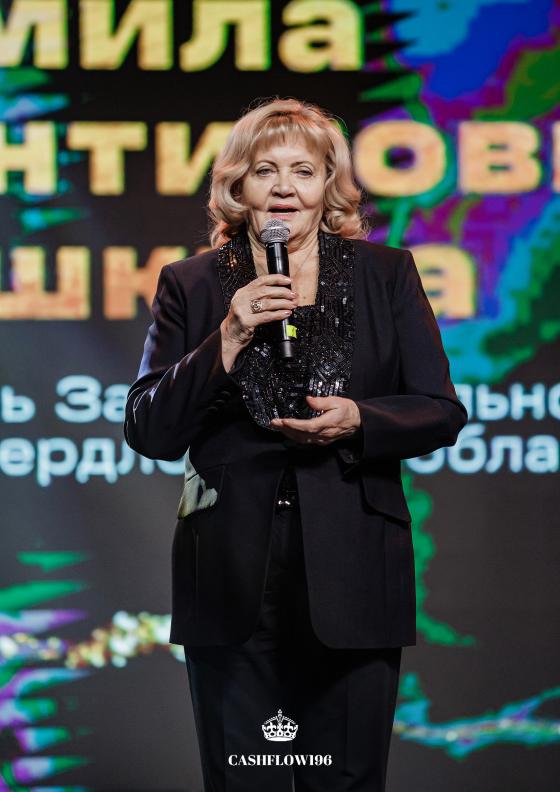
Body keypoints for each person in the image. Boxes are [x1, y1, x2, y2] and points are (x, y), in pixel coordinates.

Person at [124, 97, 468, 791]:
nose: (284, 187)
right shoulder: (191, 283)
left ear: (328, 186)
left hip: (354, 564)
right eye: (265, 170)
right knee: (244, 778)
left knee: (345, 779)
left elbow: (439, 411)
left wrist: (360, 419)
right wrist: (226, 337)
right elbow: (149, 428)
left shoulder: (385, 274)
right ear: (238, 185)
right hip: (229, 572)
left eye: (303, 171)